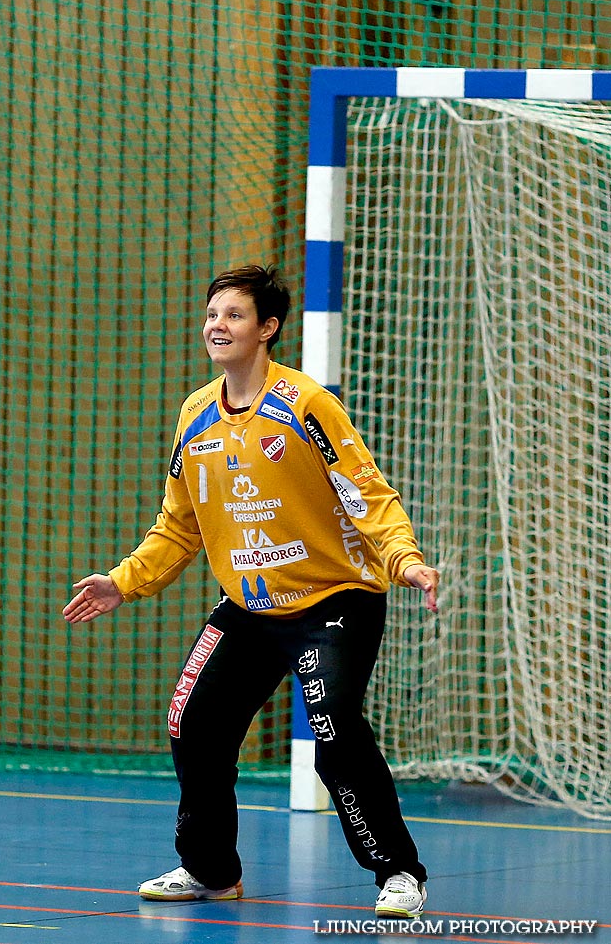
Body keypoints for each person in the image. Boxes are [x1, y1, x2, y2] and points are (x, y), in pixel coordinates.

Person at [62, 265, 439, 920]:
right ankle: (211, 870)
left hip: (335, 599)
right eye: (213, 313)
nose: (218, 324)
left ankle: (398, 870)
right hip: (251, 607)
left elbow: (366, 492)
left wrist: (403, 557)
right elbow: (179, 524)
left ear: (267, 328)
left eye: (234, 315)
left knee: (334, 727)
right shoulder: (196, 413)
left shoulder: (306, 404)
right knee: (193, 721)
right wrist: (123, 580)